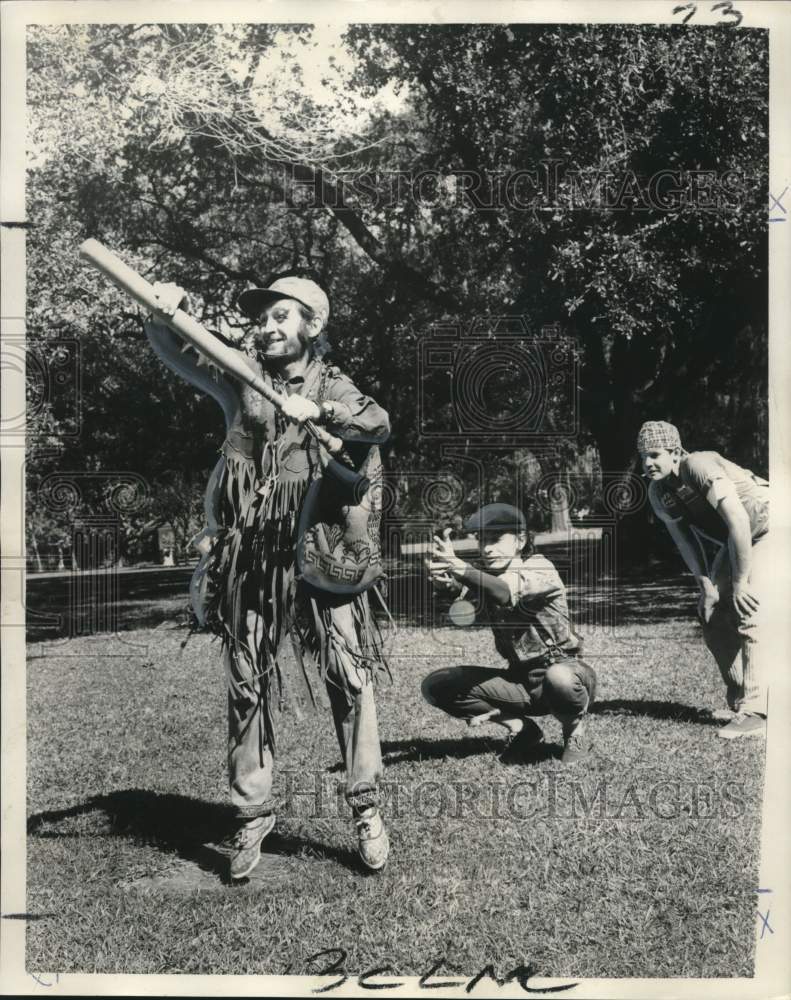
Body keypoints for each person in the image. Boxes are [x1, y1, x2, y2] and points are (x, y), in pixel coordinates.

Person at [144, 274, 391, 877]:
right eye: (263, 318)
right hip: (255, 558)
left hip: (322, 554)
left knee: (349, 675)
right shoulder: (242, 382)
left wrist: (323, 410)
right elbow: (182, 353)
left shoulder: (334, 382)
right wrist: (160, 313)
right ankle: (251, 815)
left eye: (283, 316)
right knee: (248, 680)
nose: (269, 326)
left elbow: (377, 423)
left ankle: (365, 807)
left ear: (312, 326)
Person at [422, 503, 596, 764]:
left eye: (496, 538)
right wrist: (445, 585)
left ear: (520, 540)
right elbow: (463, 613)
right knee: (438, 684)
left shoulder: (539, 566)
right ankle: (522, 729)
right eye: (482, 540)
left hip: (566, 673)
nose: (487, 547)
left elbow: (504, 593)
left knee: (558, 676)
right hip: (521, 682)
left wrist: (460, 568)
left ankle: (575, 733)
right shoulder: (486, 576)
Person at [637, 421, 770, 739]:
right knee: (711, 613)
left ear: (674, 452)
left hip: (771, 526)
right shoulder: (659, 491)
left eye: (654, 454)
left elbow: (738, 518)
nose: (647, 463)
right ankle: (741, 699)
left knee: (748, 606)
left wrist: (739, 582)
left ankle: (757, 711)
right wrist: (707, 587)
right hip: (739, 538)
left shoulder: (697, 464)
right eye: (642, 457)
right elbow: (684, 541)